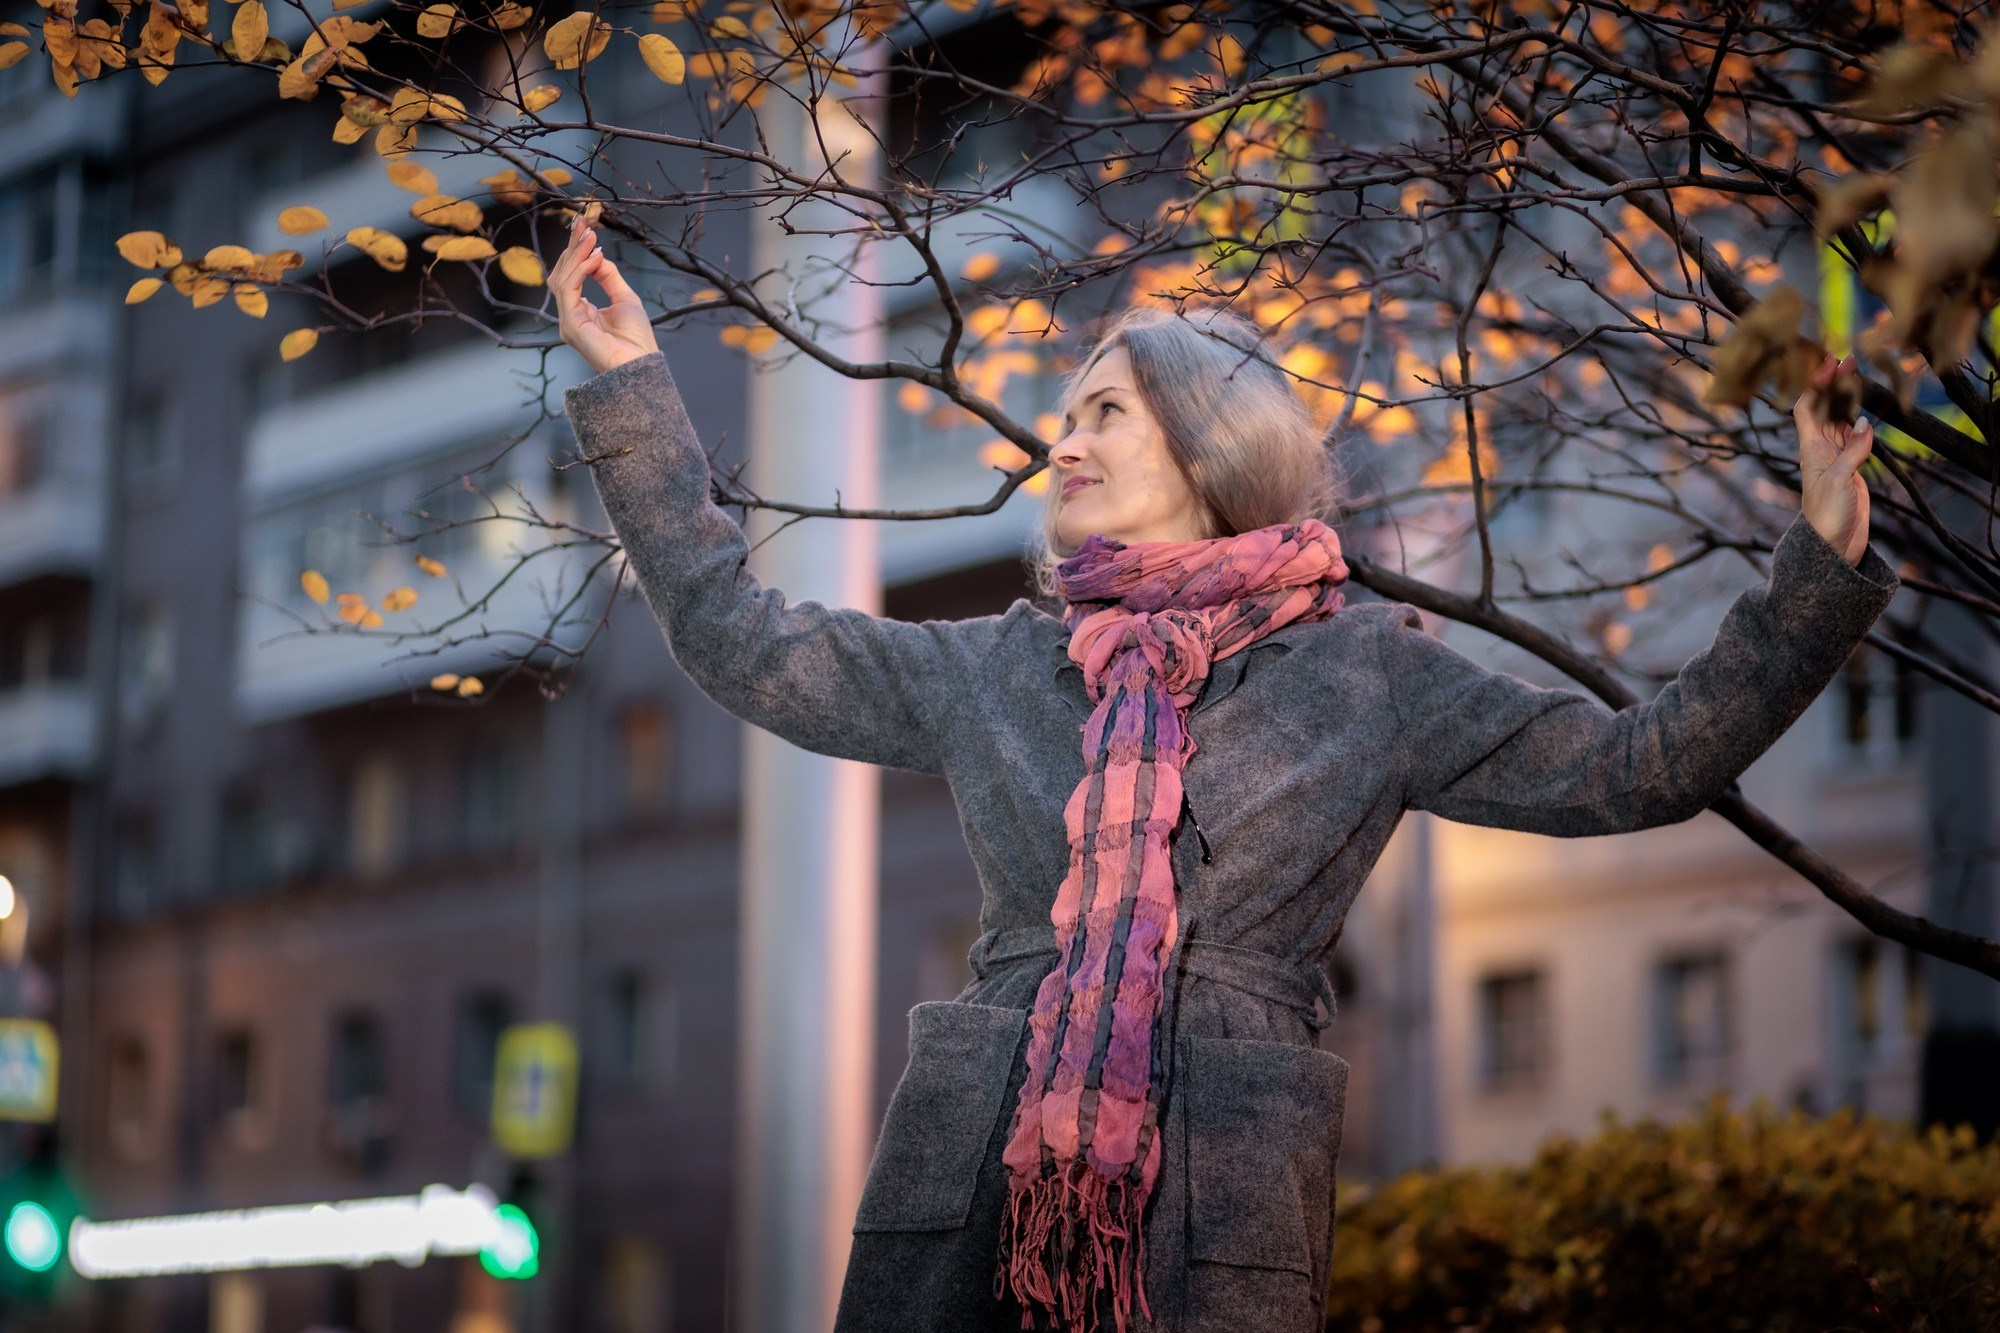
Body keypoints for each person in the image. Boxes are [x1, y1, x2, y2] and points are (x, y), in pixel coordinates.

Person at [550, 213, 1893, 1333]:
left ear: (1206, 446)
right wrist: (631, 393)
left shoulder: (1368, 675)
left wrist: (1816, 571)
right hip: (966, 1201)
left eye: (1104, 414)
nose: (1058, 445)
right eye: (1063, 418)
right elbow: (743, 638)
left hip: (1218, 1210)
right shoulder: (1000, 668)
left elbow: (1637, 768)